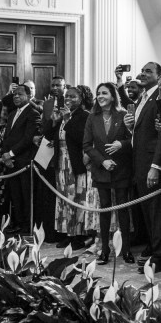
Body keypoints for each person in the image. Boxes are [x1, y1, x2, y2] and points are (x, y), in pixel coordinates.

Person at [126, 62, 161, 271]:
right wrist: (131, 129)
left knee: (158, 213)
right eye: (142, 71)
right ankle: (155, 250)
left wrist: (156, 165)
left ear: (160, 75)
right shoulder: (142, 98)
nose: (143, 74)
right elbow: (144, 133)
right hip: (140, 162)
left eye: (148, 71)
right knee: (148, 212)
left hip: (154, 165)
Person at [84, 82, 134, 264]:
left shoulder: (123, 115)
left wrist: (122, 144)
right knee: (104, 209)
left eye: (104, 93)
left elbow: (134, 140)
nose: (100, 96)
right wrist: (102, 161)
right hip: (101, 169)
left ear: (113, 96)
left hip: (121, 168)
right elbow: (87, 145)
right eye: (98, 93)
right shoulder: (92, 117)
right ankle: (104, 250)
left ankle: (127, 250)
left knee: (123, 210)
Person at [53, 84, 99, 250]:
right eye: (67, 96)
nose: (69, 99)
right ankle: (67, 233)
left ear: (82, 99)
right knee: (64, 199)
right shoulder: (64, 114)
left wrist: (66, 120)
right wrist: (55, 121)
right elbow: (53, 137)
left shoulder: (84, 115)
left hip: (75, 163)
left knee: (76, 199)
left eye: (73, 96)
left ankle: (78, 236)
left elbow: (81, 138)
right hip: (61, 162)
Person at [1, 83, 40, 233]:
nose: (16, 97)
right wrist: (6, 156)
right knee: (14, 194)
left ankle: (26, 225)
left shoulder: (33, 113)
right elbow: (7, 137)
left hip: (24, 161)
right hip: (11, 162)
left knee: (26, 195)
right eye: (15, 94)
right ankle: (17, 222)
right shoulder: (12, 114)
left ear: (29, 97)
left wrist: (10, 154)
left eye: (20, 94)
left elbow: (28, 138)